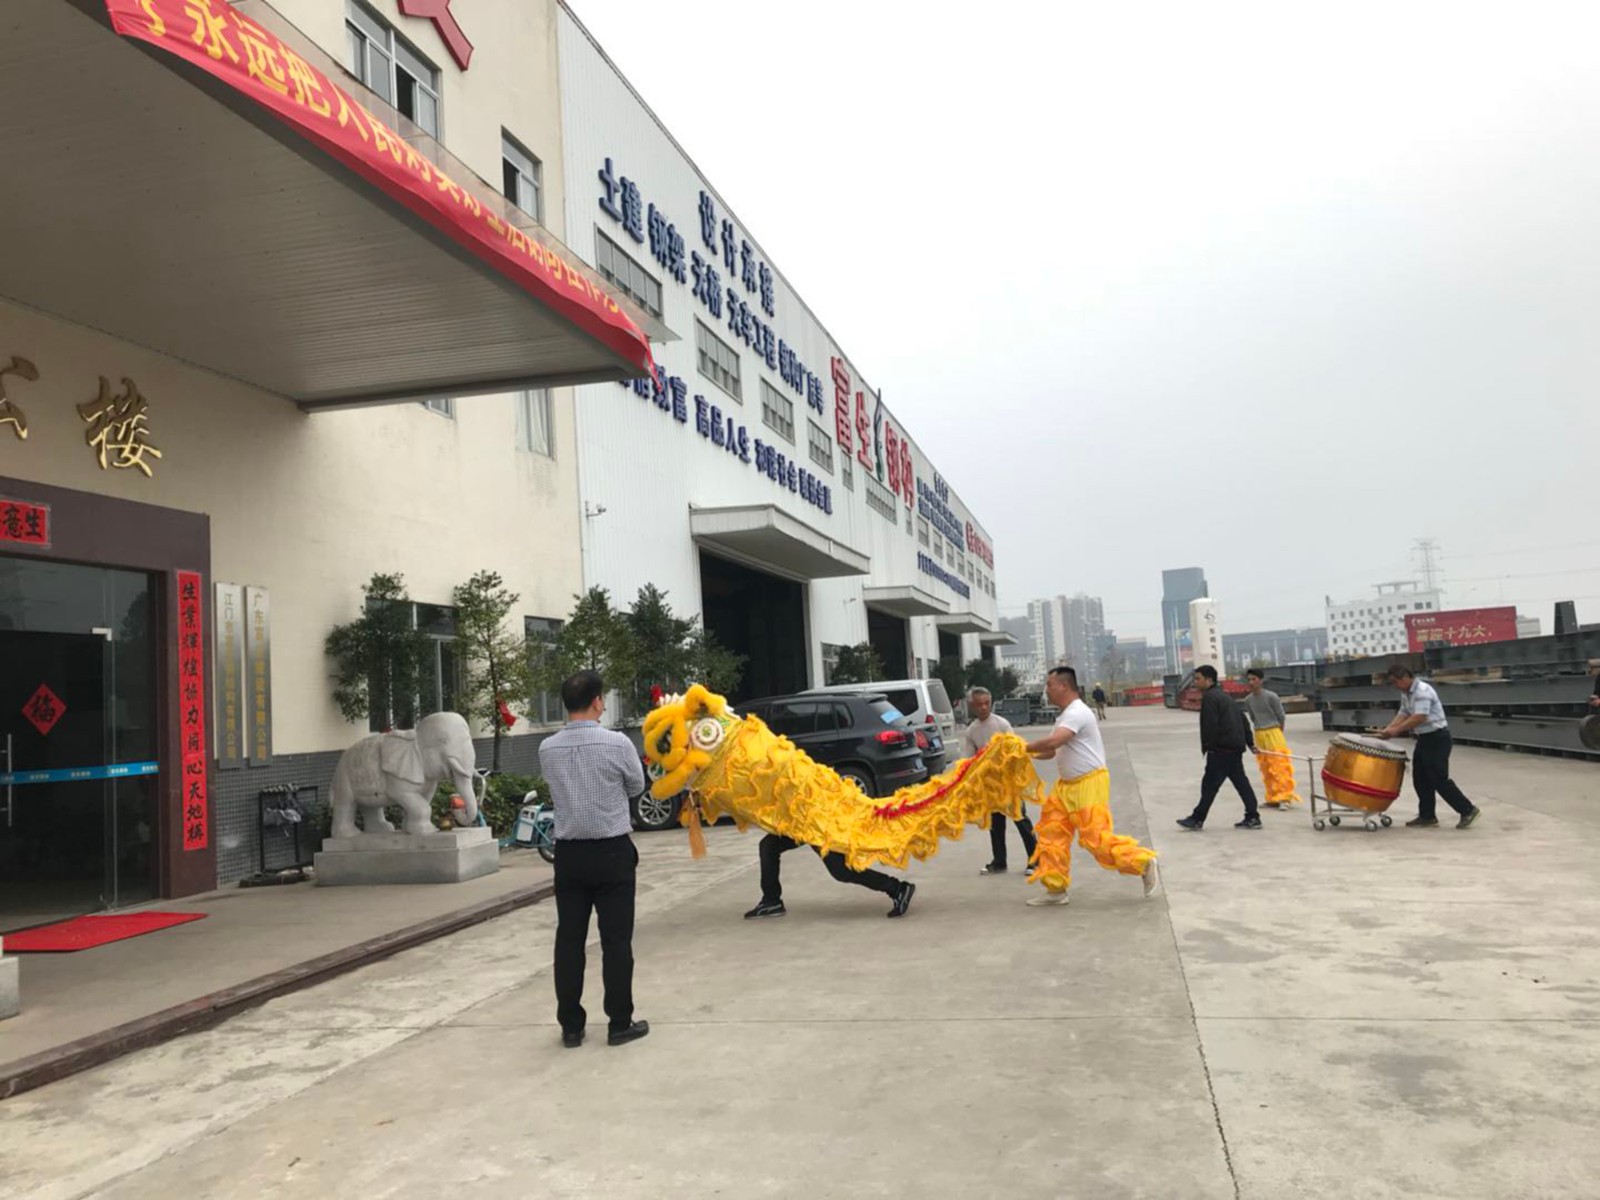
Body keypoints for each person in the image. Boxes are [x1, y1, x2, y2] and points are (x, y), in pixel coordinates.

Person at [538, 670, 650, 1049]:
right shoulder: (617, 743)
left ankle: (571, 1026)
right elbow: (636, 785)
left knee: (569, 940)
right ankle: (619, 1023)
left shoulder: (547, 748)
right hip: (612, 851)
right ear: (598, 701)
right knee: (616, 940)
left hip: (569, 855)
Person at [1022, 666, 1159, 907]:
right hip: (1065, 786)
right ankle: (1055, 888)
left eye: (1049, 684)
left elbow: (1055, 741)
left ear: (1064, 685)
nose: (1046, 690)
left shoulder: (1077, 712)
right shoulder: (1065, 716)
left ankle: (1142, 862)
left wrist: (1023, 747)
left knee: (1095, 839)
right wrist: (1021, 756)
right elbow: (1051, 751)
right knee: (1051, 834)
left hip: (1089, 783)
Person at [1375, 664, 1482, 828]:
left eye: (1396, 682)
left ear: (1405, 677)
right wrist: (1388, 729)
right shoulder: (1406, 693)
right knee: (1420, 778)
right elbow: (1404, 713)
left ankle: (1468, 810)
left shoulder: (1422, 691)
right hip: (1425, 738)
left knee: (1438, 778)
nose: (1395, 686)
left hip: (1437, 738)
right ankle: (1427, 815)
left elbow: (1420, 717)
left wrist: (1396, 730)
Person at [745, 835, 916, 919]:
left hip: (816, 820)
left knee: (841, 871)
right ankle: (771, 901)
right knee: (768, 845)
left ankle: (897, 888)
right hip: (798, 821)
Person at [1177, 665, 1262, 830]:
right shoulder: (1225, 696)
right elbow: (1243, 719)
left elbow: (1210, 725)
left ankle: (1197, 818)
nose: (1195, 682)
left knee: (1210, 785)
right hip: (1234, 748)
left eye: (1198, 679)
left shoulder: (1210, 698)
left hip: (1221, 750)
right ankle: (1253, 816)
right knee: (1241, 783)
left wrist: (1210, 747)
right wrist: (1249, 742)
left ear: (1209, 680)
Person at [964, 686, 1037, 876]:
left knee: (1021, 820)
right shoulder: (972, 730)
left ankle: (1036, 860)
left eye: (986, 703)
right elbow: (968, 760)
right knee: (995, 824)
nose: (983, 707)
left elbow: (1015, 750)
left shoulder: (1002, 724)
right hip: (990, 784)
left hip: (1009, 781)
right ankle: (999, 862)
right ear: (972, 706)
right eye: (979, 704)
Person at [1244, 668, 1301, 808]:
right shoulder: (1248, 700)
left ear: (1261, 680)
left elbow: (1281, 716)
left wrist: (1278, 731)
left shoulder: (1271, 696)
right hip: (1259, 733)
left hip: (1273, 731)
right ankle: (1272, 797)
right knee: (1266, 767)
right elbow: (1252, 717)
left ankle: (1284, 797)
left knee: (1279, 765)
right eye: (1249, 679)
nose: (1251, 682)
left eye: (1254, 679)